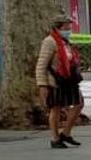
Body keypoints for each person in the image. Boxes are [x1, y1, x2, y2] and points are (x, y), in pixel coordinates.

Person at [36, 11, 84, 149]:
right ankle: (55, 137)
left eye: (69, 28)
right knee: (55, 108)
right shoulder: (50, 42)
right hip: (55, 81)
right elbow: (41, 64)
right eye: (66, 28)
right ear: (58, 27)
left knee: (79, 103)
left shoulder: (65, 42)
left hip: (69, 80)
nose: (69, 30)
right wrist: (42, 84)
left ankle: (66, 133)